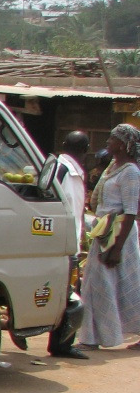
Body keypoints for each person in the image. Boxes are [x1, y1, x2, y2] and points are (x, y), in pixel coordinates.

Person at [79, 124, 140, 350]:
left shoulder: (131, 172)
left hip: (118, 235)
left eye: (112, 139)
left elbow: (131, 211)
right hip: (104, 231)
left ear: (124, 145)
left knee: (125, 285)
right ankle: (92, 336)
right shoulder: (114, 167)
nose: (107, 142)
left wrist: (116, 248)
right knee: (94, 284)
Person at [47, 131, 91, 358]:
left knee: (65, 293)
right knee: (68, 293)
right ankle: (62, 344)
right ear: (86, 151)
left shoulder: (65, 169)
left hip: (65, 241)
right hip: (62, 243)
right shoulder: (63, 170)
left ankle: (60, 342)